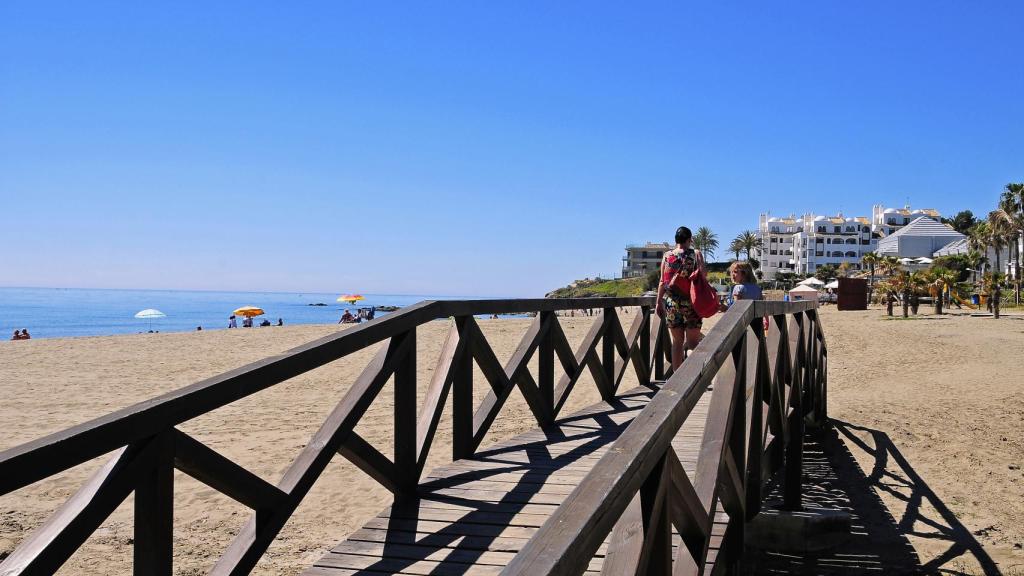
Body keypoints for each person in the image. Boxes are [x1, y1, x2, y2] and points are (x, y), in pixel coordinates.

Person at [656, 226, 707, 370]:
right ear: (689, 240)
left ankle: (676, 379)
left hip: (671, 303)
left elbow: (662, 281)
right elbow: (703, 275)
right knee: (693, 344)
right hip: (691, 303)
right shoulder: (695, 253)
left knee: (677, 342)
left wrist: (659, 302)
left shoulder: (667, 256)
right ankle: (693, 377)